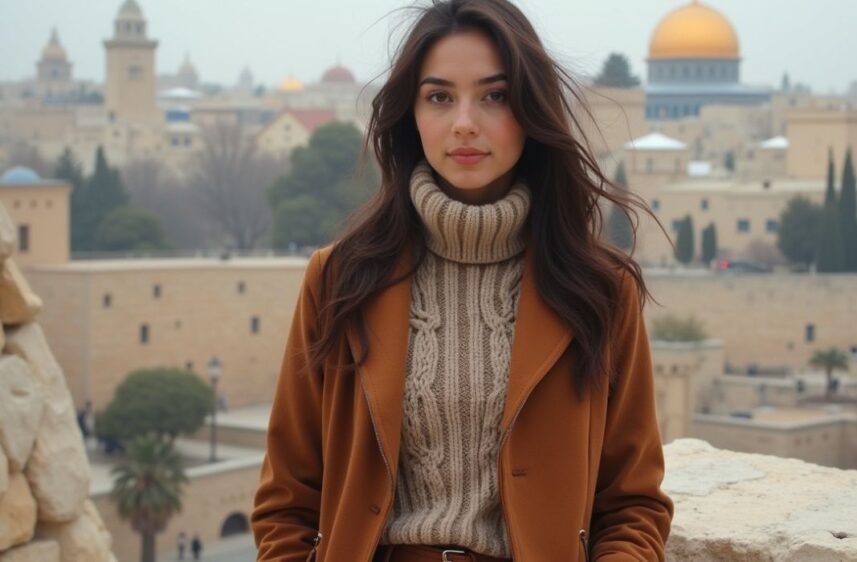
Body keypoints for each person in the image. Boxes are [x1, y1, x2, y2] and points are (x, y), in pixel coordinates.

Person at [251, 1, 673, 560]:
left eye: (494, 96)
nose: (465, 123)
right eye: (439, 97)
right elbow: (287, 499)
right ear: (412, 115)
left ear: (530, 110)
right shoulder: (340, 279)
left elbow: (634, 504)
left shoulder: (599, 289)